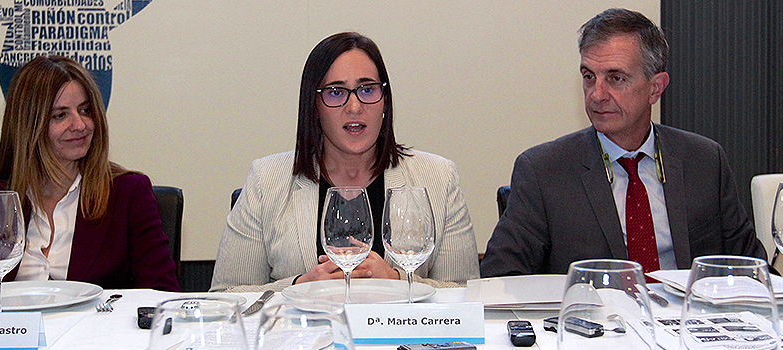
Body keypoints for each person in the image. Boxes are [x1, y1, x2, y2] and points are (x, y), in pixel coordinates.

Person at [480, 8, 765, 277]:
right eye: (589, 77)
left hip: (686, 323)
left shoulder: (704, 160)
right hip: (596, 324)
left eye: (615, 78)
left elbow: (753, 270)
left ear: (656, 88)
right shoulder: (543, 171)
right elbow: (500, 279)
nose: (597, 94)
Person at [211, 32, 479, 292]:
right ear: (314, 106)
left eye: (367, 89)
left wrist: (399, 283)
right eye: (336, 92)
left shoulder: (439, 177)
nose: (354, 107)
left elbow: (466, 295)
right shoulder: (266, 179)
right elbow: (226, 294)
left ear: (385, 101)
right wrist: (298, 288)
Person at [0, 56, 179, 292]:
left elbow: (161, 293)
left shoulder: (128, 194)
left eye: (86, 111)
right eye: (60, 115)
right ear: (29, 126)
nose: (80, 125)